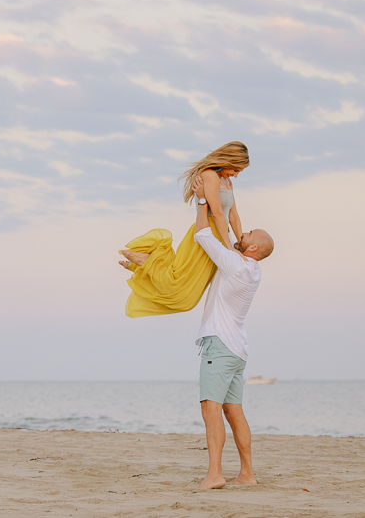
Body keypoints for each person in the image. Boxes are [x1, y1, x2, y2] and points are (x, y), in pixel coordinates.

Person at [190, 175, 274, 490]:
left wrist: (202, 200)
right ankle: (248, 474)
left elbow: (203, 234)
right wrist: (227, 203)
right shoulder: (252, 269)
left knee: (210, 409)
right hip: (237, 351)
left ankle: (214, 474)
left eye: (248, 233)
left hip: (221, 347)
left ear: (252, 247)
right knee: (234, 412)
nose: (243, 232)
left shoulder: (236, 265)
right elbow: (229, 240)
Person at [118, 141, 248, 317]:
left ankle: (143, 264)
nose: (236, 175)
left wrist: (241, 245)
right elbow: (216, 213)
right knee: (180, 288)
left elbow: (233, 216)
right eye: (236, 170)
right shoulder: (209, 175)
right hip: (207, 233)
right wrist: (229, 247)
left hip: (221, 236)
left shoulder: (227, 182)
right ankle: (145, 261)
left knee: (189, 298)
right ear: (229, 161)